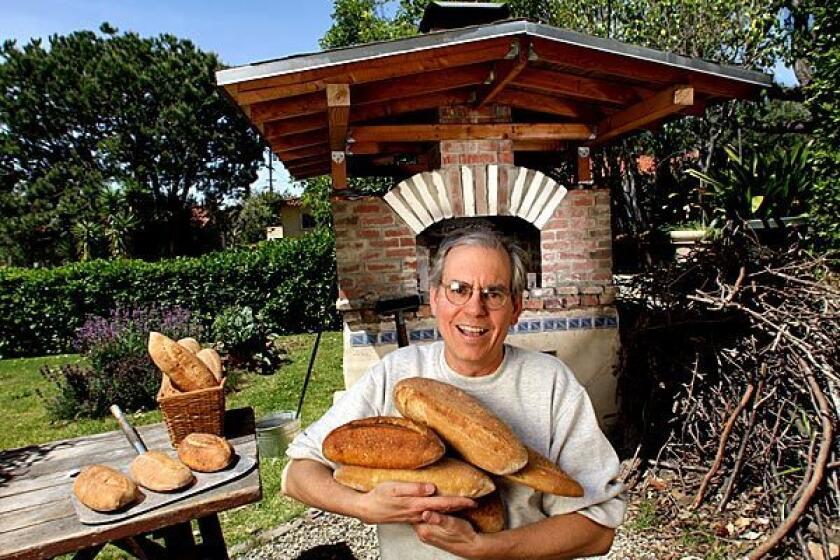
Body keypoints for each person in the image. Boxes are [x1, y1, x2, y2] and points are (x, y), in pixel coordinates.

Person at [282, 228, 625, 559]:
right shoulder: (398, 372)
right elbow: (297, 475)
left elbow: (598, 529)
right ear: (434, 299)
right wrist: (362, 507)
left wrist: (487, 550)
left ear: (516, 308)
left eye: (494, 293)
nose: (475, 308)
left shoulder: (550, 383)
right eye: (458, 289)